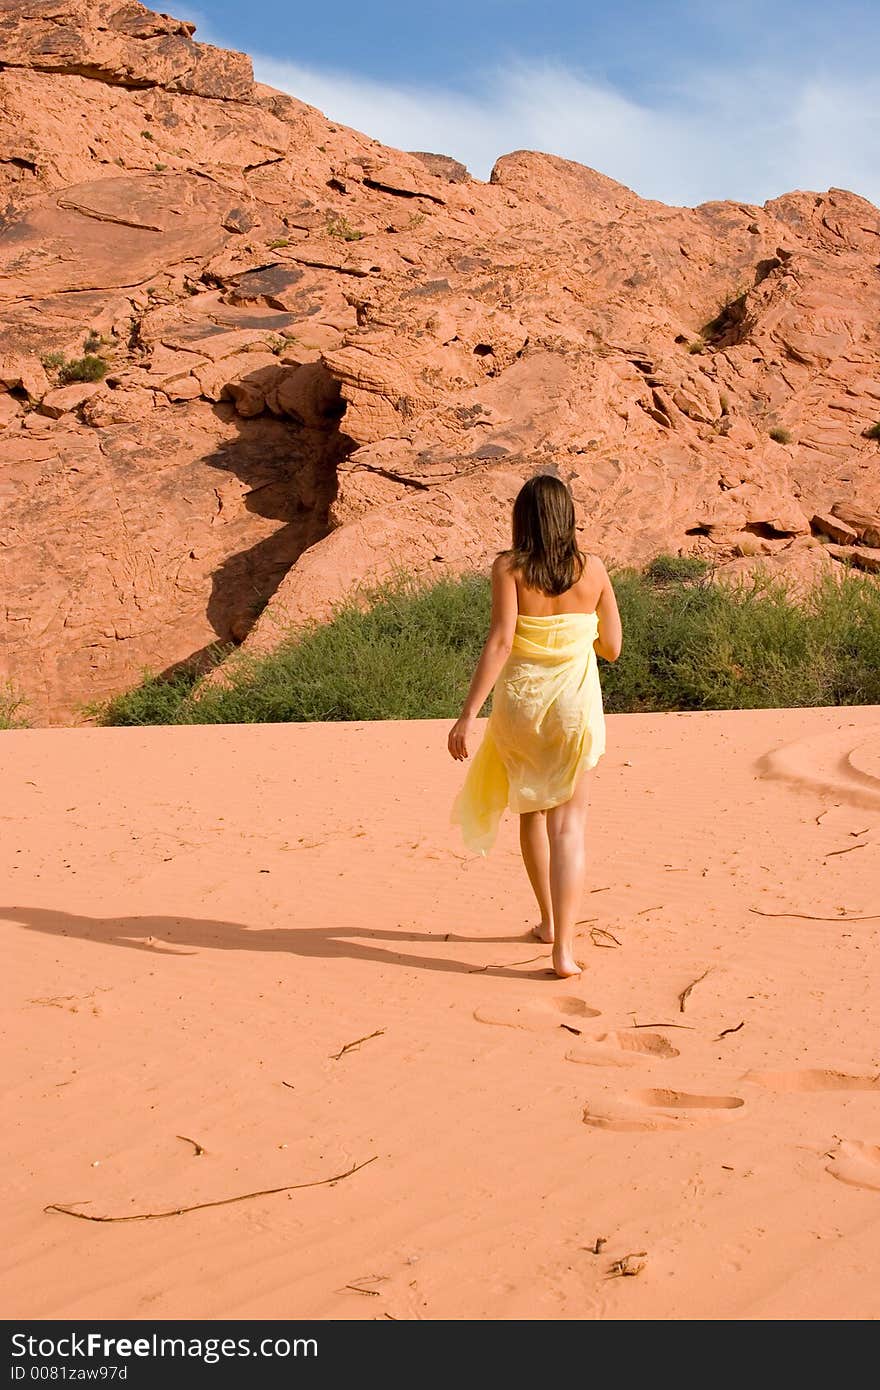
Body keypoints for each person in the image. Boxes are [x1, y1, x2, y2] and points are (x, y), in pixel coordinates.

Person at [448, 474, 622, 979]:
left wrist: (467, 716)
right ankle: (563, 950)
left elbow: (501, 642)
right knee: (569, 826)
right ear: (568, 515)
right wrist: (576, 632)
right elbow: (611, 649)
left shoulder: (508, 568)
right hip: (574, 708)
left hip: (521, 708)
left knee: (530, 812)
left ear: (523, 517)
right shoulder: (594, 570)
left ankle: (546, 921)